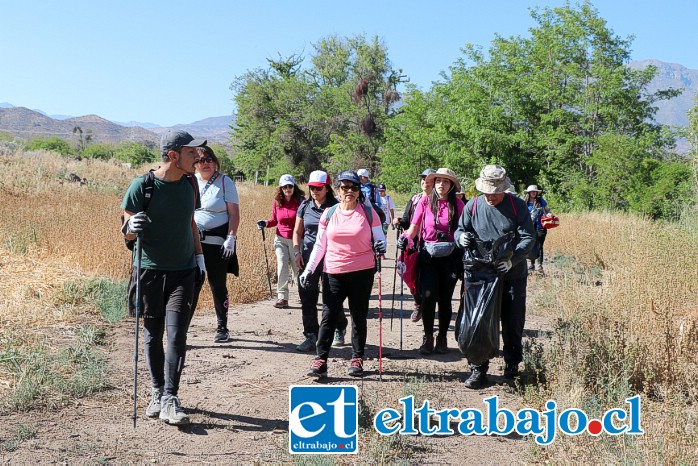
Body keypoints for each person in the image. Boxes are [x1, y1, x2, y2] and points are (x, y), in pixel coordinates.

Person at [121, 130, 207, 425]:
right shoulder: (141, 186)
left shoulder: (190, 184)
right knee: (152, 333)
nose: (197, 157)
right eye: (191, 152)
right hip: (149, 270)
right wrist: (131, 224)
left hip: (183, 271)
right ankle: (157, 391)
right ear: (172, 155)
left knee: (177, 334)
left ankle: (170, 397)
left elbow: (191, 224)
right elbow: (127, 233)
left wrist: (199, 258)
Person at [455, 164, 535, 389]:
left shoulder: (517, 205)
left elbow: (528, 237)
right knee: (479, 321)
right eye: (487, 192)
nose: (491, 197)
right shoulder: (473, 205)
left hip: (512, 274)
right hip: (482, 275)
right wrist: (461, 238)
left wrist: (512, 260)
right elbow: (460, 230)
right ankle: (478, 369)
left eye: (495, 193)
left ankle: (512, 369)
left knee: (512, 322)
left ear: (503, 189)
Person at [300, 170, 386, 378]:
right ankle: (321, 360)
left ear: (359, 191)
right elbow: (320, 245)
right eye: (345, 187)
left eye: (353, 187)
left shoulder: (368, 212)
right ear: (338, 190)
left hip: (361, 272)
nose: (349, 191)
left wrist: (381, 247)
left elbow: (380, 238)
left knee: (358, 316)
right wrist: (309, 269)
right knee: (329, 316)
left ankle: (357, 358)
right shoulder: (329, 213)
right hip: (333, 272)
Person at [397, 168, 465, 355]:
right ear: (433, 184)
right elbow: (414, 228)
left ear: (451, 185)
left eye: (445, 182)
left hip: (450, 257)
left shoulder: (458, 205)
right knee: (427, 296)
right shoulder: (424, 202)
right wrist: (405, 238)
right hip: (428, 255)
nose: (441, 185)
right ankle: (428, 337)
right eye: (438, 181)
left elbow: (465, 229)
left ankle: (442, 338)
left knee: (445, 299)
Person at [292, 170, 348, 352]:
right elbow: (297, 232)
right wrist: (296, 252)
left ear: (326, 188)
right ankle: (310, 334)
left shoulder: (336, 206)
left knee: (331, 296)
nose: (314, 191)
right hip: (308, 257)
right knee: (307, 295)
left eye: (318, 188)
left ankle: (339, 327)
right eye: (311, 188)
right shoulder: (305, 206)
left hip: (331, 257)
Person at [190, 146, 240, 343]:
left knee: (218, 286)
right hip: (193, 243)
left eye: (209, 159)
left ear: (215, 161)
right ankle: (182, 329)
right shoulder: (190, 181)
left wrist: (231, 237)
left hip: (217, 244)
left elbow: (234, 214)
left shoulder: (225, 182)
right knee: (192, 285)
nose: (205, 163)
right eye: (201, 160)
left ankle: (222, 327)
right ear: (195, 163)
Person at [392, 168, 436, 322]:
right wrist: (399, 221)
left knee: (426, 277)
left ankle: (426, 304)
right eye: (423, 179)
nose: (425, 182)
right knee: (410, 275)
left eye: (429, 180)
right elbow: (407, 219)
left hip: (431, 244)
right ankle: (418, 302)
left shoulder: (440, 201)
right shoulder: (415, 199)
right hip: (412, 244)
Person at [257, 175, 303, 309]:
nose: (287, 189)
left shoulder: (301, 201)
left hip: (297, 240)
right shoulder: (277, 201)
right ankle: (282, 297)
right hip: (280, 239)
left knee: (297, 267)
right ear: (280, 188)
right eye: (284, 187)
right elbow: (275, 220)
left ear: (294, 187)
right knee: (282, 265)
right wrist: (265, 223)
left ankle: (303, 293)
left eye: (290, 186)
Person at [523, 185, 551, 273]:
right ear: (529, 193)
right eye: (532, 191)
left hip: (540, 226)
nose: (534, 193)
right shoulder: (524, 202)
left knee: (539, 245)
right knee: (531, 245)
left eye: (535, 191)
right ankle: (532, 264)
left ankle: (539, 265)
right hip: (529, 227)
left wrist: (549, 214)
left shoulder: (540, 201)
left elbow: (547, 210)